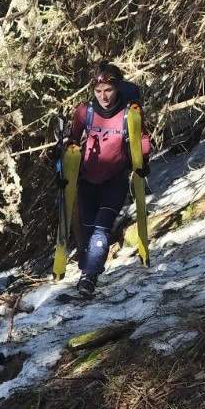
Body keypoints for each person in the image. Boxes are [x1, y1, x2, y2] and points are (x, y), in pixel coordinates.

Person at [56, 62, 149, 299]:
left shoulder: (130, 114)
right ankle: (87, 272)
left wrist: (143, 161)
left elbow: (142, 138)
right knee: (89, 233)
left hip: (114, 182)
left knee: (101, 229)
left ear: (117, 88)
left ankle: (89, 278)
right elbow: (72, 143)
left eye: (108, 90)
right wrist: (63, 168)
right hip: (87, 181)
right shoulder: (84, 112)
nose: (103, 96)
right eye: (98, 91)